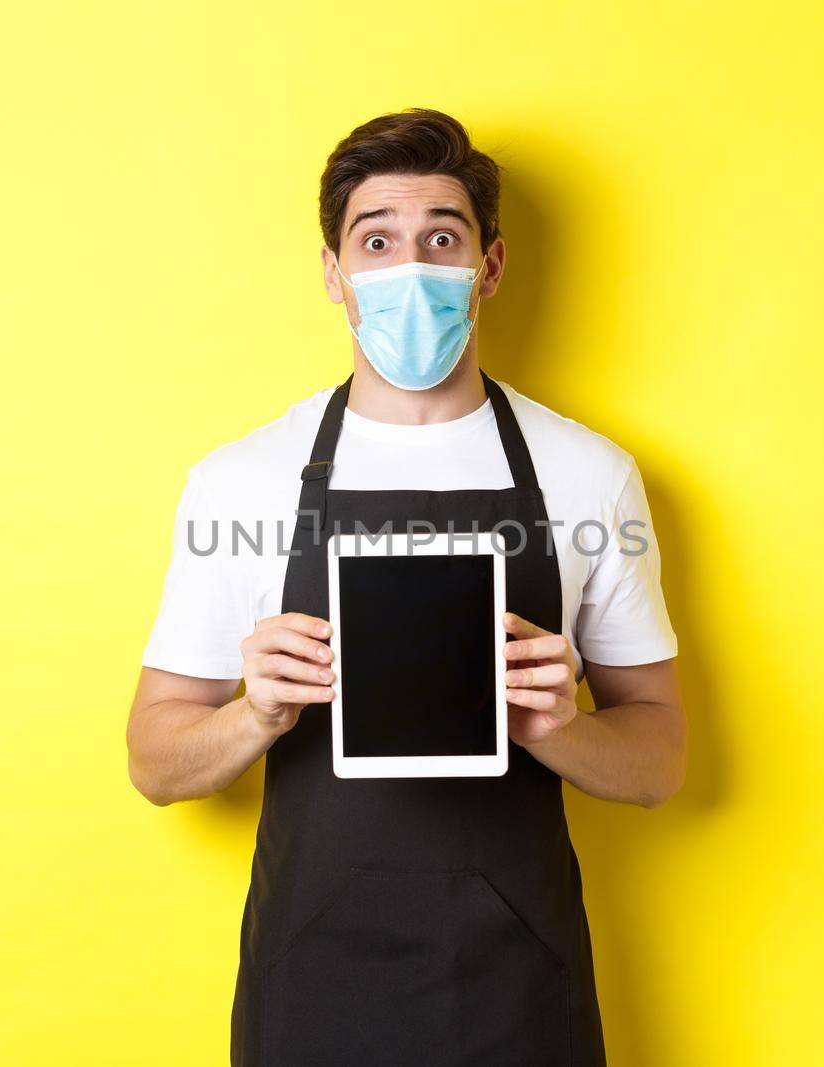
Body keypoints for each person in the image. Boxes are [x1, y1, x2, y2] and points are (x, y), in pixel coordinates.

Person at [126, 107, 686, 1067]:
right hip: (312, 972)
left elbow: (661, 758)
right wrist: (256, 713)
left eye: (441, 238)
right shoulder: (243, 480)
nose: (410, 266)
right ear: (336, 274)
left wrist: (561, 727)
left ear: (490, 267)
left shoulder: (589, 476)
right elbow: (154, 760)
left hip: (519, 973)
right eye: (376, 240)